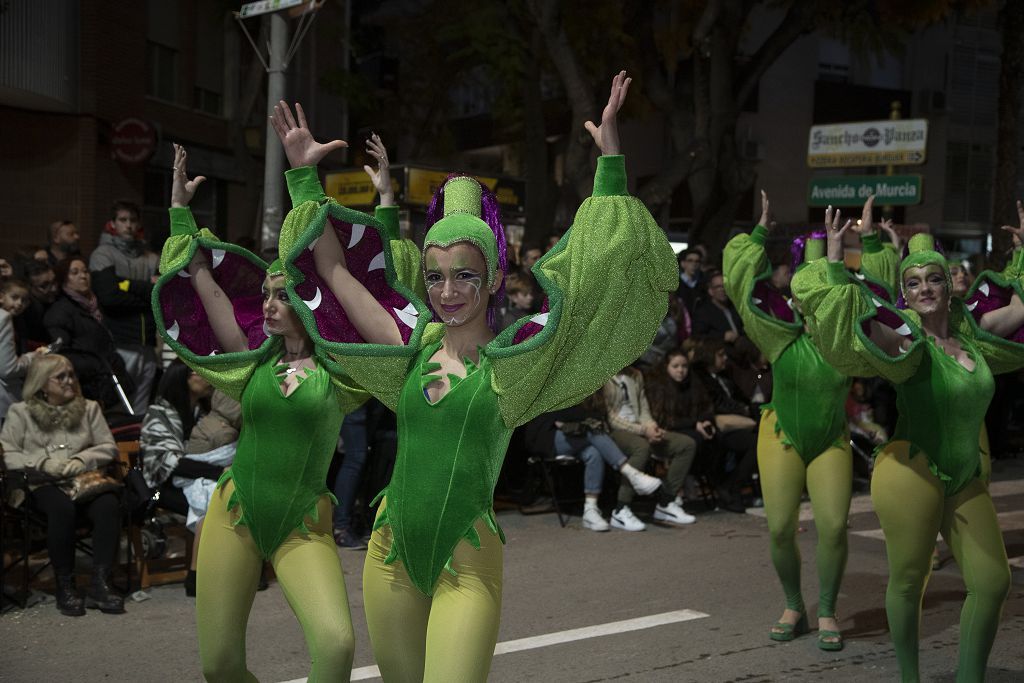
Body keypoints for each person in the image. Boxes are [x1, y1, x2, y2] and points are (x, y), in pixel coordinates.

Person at [272, 71, 676, 680]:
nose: (448, 291)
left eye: (465, 275)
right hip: (387, 555)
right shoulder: (408, 345)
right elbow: (336, 273)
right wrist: (303, 173)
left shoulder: (517, 361)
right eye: (434, 277)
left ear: (492, 278)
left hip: (468, 561)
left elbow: (594, 281)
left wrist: (611, 161)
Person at [156, 139, 425, 681]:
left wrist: (384, 206)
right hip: (232, 517)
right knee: (221, 666)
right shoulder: (250, 361)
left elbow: (385, 288)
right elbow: (205, 288)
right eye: (265, 294)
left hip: (303, 526)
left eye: (282, 295)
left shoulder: (344, 375)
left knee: (335, 646)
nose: (269, 305)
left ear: (308, 300)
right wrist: (180, 214)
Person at [791, 197, 1024, 682]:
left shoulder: (974, 333)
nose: (925, 289)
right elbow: (863, 324)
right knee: (910, 581)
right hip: (909, 469)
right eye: (913, 282)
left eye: (934, 278)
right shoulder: (904, 336)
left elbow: (1021, 304)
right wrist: (835, 265)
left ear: (947, 283)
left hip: (963, 473)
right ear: (905, 292)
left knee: (993, 582)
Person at [722, 190, 853, 649]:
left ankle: (830, 609)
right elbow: (741, 283)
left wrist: (842, 258)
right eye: (804, 291)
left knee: (835, 526)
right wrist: (761, 230)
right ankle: (795, 604)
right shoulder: (779, 336)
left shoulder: (848, 343)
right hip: (780, 434)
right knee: (779, 528)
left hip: (830, 440)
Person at [0, 355, 122, 616]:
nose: (70, 381)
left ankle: (100, 583)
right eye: (61, 377)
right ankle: (65, 586)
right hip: (39, 483)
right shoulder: (20, 412)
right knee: (60, 508)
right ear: (42, 383)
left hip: (83, 480)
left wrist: (82, 458)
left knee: (108, 504)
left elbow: (109, 447)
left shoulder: (89, 408)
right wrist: (42, 463)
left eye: (71, 374)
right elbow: (8, 453)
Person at [522, 391, 662, 531]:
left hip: (567, 436)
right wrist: (588, 417)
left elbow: (577, 415)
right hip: (543, 439)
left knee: (593, 452)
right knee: (592, 431)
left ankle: (590, 509)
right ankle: (632, 474)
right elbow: (567, 413)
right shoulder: (551, 386)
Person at [138, 360, 221, 595]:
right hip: (158, 489)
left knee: (220, 494)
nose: (208, 377)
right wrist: (217, 470)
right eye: (201, 372)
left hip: (195, 480)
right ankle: (199, 574)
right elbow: (169, 464)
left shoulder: (205, 412)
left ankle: (209, 572)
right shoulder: (159, 414)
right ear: (183, 378)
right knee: (213, 500)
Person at [604, 366, 698, 529]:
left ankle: (666, 502)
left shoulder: (635, 374)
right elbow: (610, 417)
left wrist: (652, 426)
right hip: (615, 431)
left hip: (641, 427)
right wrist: (643, 430)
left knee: (685, 444)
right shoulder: (601, 374)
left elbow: (643, 407)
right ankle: (621, 509)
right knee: (641, 447)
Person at [88, 200, 159, 414]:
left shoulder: (151, 257)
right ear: (112, 224)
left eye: (133, 220)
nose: (128, 225)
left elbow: (161, 295)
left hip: (147, 343)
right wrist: (147, 292)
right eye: (123, 220)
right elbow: (110, 297)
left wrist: (127, 285)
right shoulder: (103, 254)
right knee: (116, 406)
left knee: (140, 409)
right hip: (119, 343)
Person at [44, 258, 134, 412]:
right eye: (75, 272)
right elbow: (61, 353)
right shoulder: (60, 312)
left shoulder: (94, 307)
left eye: (85, 271)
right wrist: (99, 364)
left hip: (105, 381)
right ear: (64, 278)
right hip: (83, 384)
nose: (83, 276)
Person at [688, 340, 758, 512]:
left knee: (762, 437)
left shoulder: (724, 375)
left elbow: (740, 397)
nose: (725, 358)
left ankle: (734, 486)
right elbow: (716, 404)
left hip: (737, 420)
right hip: (719, 426)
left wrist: (748, 409)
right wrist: (743, 410)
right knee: (755, 444)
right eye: (720, 355)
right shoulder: (699, 377)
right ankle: (731, 486)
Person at [1, 279, 43, 418]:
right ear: (1, 297)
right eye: (14, 297)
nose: (19, 304)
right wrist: (31, 358)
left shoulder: (18, 322)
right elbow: (8, 369)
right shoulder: (4, 318)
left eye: (24, 300)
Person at [692, 271, 744, 342]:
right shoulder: (703, 313)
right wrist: (722, 336)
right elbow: (698, 336)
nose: (722, 290)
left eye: (725, 286)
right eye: (718, 287)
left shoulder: (736, 308)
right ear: (710, 291)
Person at [676, 248, 704, 315]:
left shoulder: (703, 285)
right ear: (683, 263)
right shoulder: (675, 285)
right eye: (690, 261)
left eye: (697, 261)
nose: (694, 264)